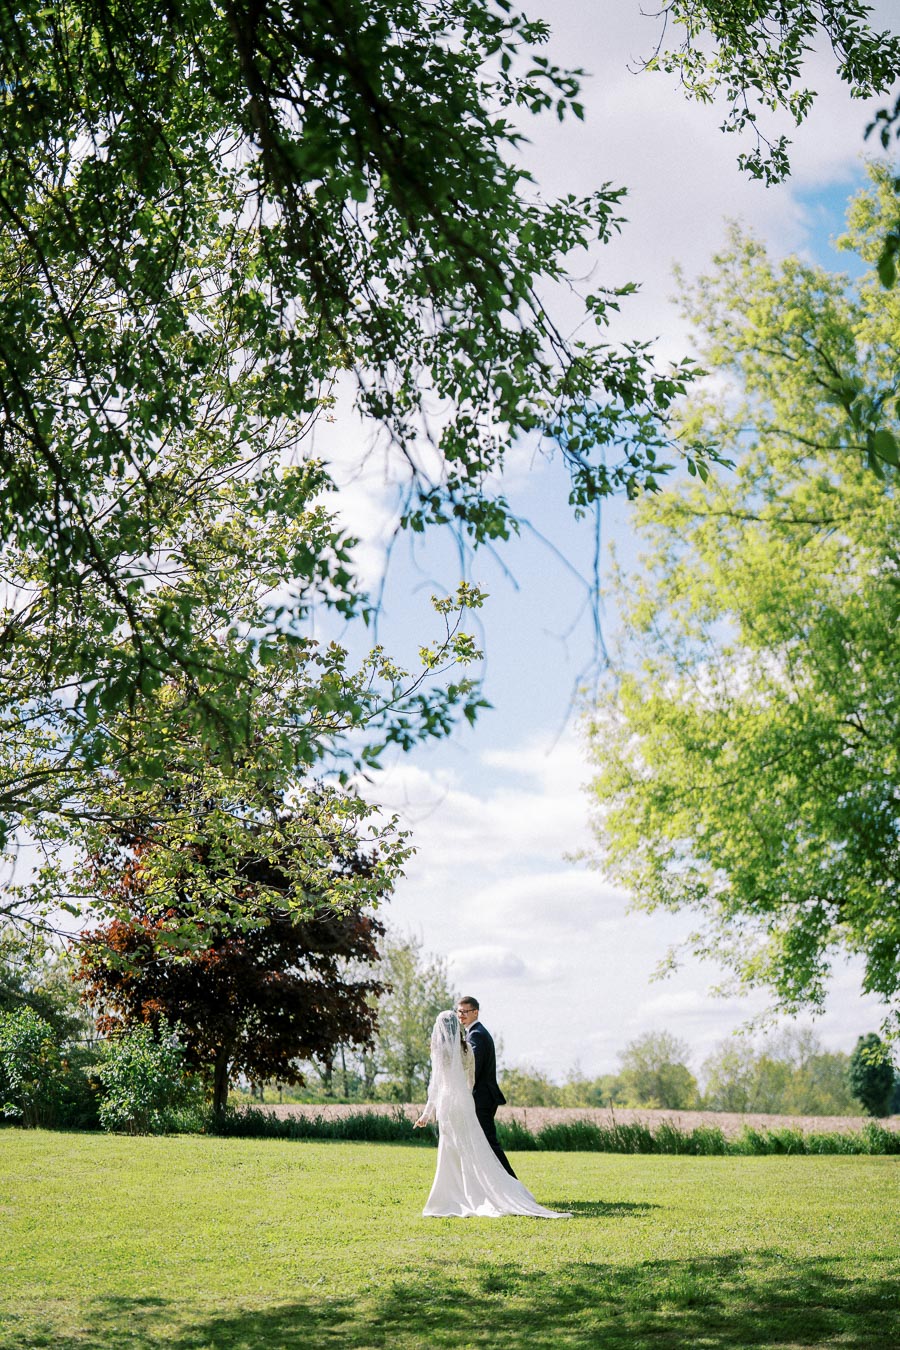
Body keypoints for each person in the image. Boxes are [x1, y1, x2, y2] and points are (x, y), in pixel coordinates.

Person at [414, 1009, 570, 1219]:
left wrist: (426, 1114)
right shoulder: (467, 1049)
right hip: (465, 1103)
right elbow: (470, 1082)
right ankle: (476, 1191)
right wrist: (465, 1098)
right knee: (473, 1148)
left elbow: (436, 1086)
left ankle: (452, 1196)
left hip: (448, 1105)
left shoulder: (439, 1052)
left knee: (451, 1151)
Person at [456, 996, 516, 1176]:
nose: (461, 1015)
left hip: (482, 1097)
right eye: (459, 1011)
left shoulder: (477, 1035)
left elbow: (473, 1067)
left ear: (475, 1012)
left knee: (489, 1143)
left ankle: (512, 1183)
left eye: (465, 1012)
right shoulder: (473, 1033)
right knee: (482, 1143)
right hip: (482, 1096)